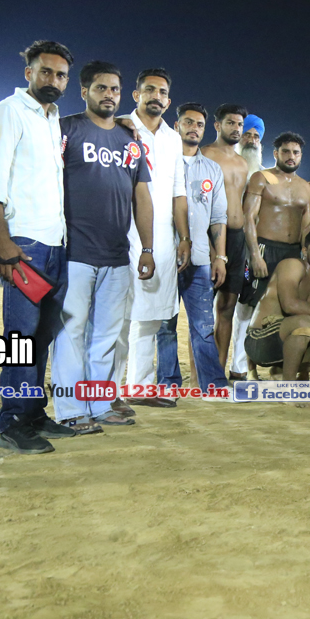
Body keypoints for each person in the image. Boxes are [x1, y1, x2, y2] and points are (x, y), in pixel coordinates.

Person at [0, 39, 77, 453]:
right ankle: (12, 422)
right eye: (46, 71)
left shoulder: (52, 118)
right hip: (23, 244)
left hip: (56, 243)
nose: (53, 79)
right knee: (20, 338)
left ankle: (34, 414)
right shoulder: (9, 111)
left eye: (61, 75)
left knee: (40, 338)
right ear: (29, 73)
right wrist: (2, 242)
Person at [53, 61, 154, 434]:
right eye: (101, 88)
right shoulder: (66, 129)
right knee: (70, 335)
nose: (109, 95)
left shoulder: (130, 141)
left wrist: (147, 248)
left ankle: (99, 404)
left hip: (116, 254)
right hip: (74, 252)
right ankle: (70, 410)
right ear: (84, 92)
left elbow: (142, 196)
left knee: (106, 337)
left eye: (114, 89)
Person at [117, 68, 191, 408]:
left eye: (162, 92)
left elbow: (178, 191)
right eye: (149, 90)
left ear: (168, 101)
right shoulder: (119, 128)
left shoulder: (173, 139)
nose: (155, 96)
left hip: (161, 235)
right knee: (117, 315)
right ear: (136, 95)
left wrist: (184, 237)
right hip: (121, 230)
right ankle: (107, 392)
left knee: (150, 316)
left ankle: (140, 387)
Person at [157, 103, 231, 393]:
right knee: (165, 326)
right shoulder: (162, 163)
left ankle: (213, 384)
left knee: (203, 326)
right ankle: (168, 384)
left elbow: (218, 218)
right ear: (176, 126)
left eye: (199, 124)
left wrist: (220, 257)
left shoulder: (212, 169)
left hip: (200, 259)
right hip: (165, 257)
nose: (194, 128)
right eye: (188, 122)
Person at [245, 229, 310, 381]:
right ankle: (288, 387)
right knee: (304, 321)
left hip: (291, 342)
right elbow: (289, 305)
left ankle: (281, 370)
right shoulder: (292, 265)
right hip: (260, 342)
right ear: (305, 250)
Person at [201, 103, 250, 378]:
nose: (236, 128)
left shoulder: (243, 162)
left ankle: (218, 374)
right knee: (203, 311)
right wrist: (209, 247)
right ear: (217, 125)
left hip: (237, 239)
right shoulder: (205, 154)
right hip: (210, 235)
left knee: (227, 308)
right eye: (231, 123)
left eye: (240, 124)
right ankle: (201, 374)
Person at [241, 132, 310, 311]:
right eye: (285, 151)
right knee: (254, 306)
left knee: (287, 305)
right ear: (275, 154)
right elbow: (248, 217)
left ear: (301, 155)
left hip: (293, 252)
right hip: (265, 249)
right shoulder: (261, 178)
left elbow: (307, 226)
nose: (291, 156)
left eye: (296, 152)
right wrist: (255, 255)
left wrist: (306, 257)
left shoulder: (305, 186)